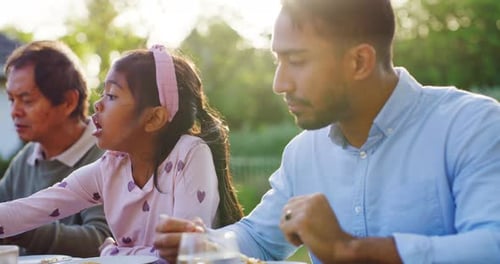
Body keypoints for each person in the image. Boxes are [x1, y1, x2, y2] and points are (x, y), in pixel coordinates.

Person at [153, 0, 500, 263]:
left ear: (360, 62)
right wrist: (204, 242)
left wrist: (349, 249)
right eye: (278, 60)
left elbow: (492, 244)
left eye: (297, 61)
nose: (279, 83)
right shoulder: (303, 152)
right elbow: (258, 238)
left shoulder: (472, 126)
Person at [0, 44, 243, 257]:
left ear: (154, 118)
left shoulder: (190, 154)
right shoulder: (110, 166)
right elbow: (33, 208)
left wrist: (113, 251)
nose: (98, 104)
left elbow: (184, 250)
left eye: (112, 95)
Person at [0, 40, 111, 257]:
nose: (15, 111)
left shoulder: (108, 156)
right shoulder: (27, 158)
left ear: (69, 101)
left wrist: (17, 223)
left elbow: (101, 239)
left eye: (27, 100)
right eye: (11, 100)